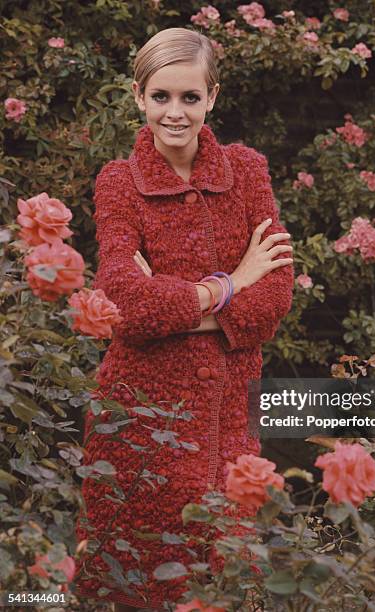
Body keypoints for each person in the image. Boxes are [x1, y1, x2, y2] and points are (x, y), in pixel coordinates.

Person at [74, 26, 294, 611]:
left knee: (223, 568)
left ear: (212, 98)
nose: (175, 112)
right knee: (133, 576)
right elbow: (126, 304)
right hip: (142, 411)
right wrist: (230, 283)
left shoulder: (247, 171)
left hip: (228, 410)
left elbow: (274, 297)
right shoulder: (119, 183)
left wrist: (177, 304)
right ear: (139, 98)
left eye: (190, 97)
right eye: (161, 97)